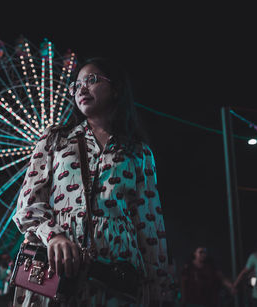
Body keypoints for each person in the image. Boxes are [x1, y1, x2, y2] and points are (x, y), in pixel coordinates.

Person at [13, 57, 173, 306]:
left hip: (115, 276)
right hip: (57, 268)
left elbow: (149, 223)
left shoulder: (139, 153)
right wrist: (53, 236)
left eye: (92, 80)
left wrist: (158, 286)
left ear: (116, 88)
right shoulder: (55, 139)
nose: (81, 89)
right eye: (76, 85)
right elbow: (28, 202)